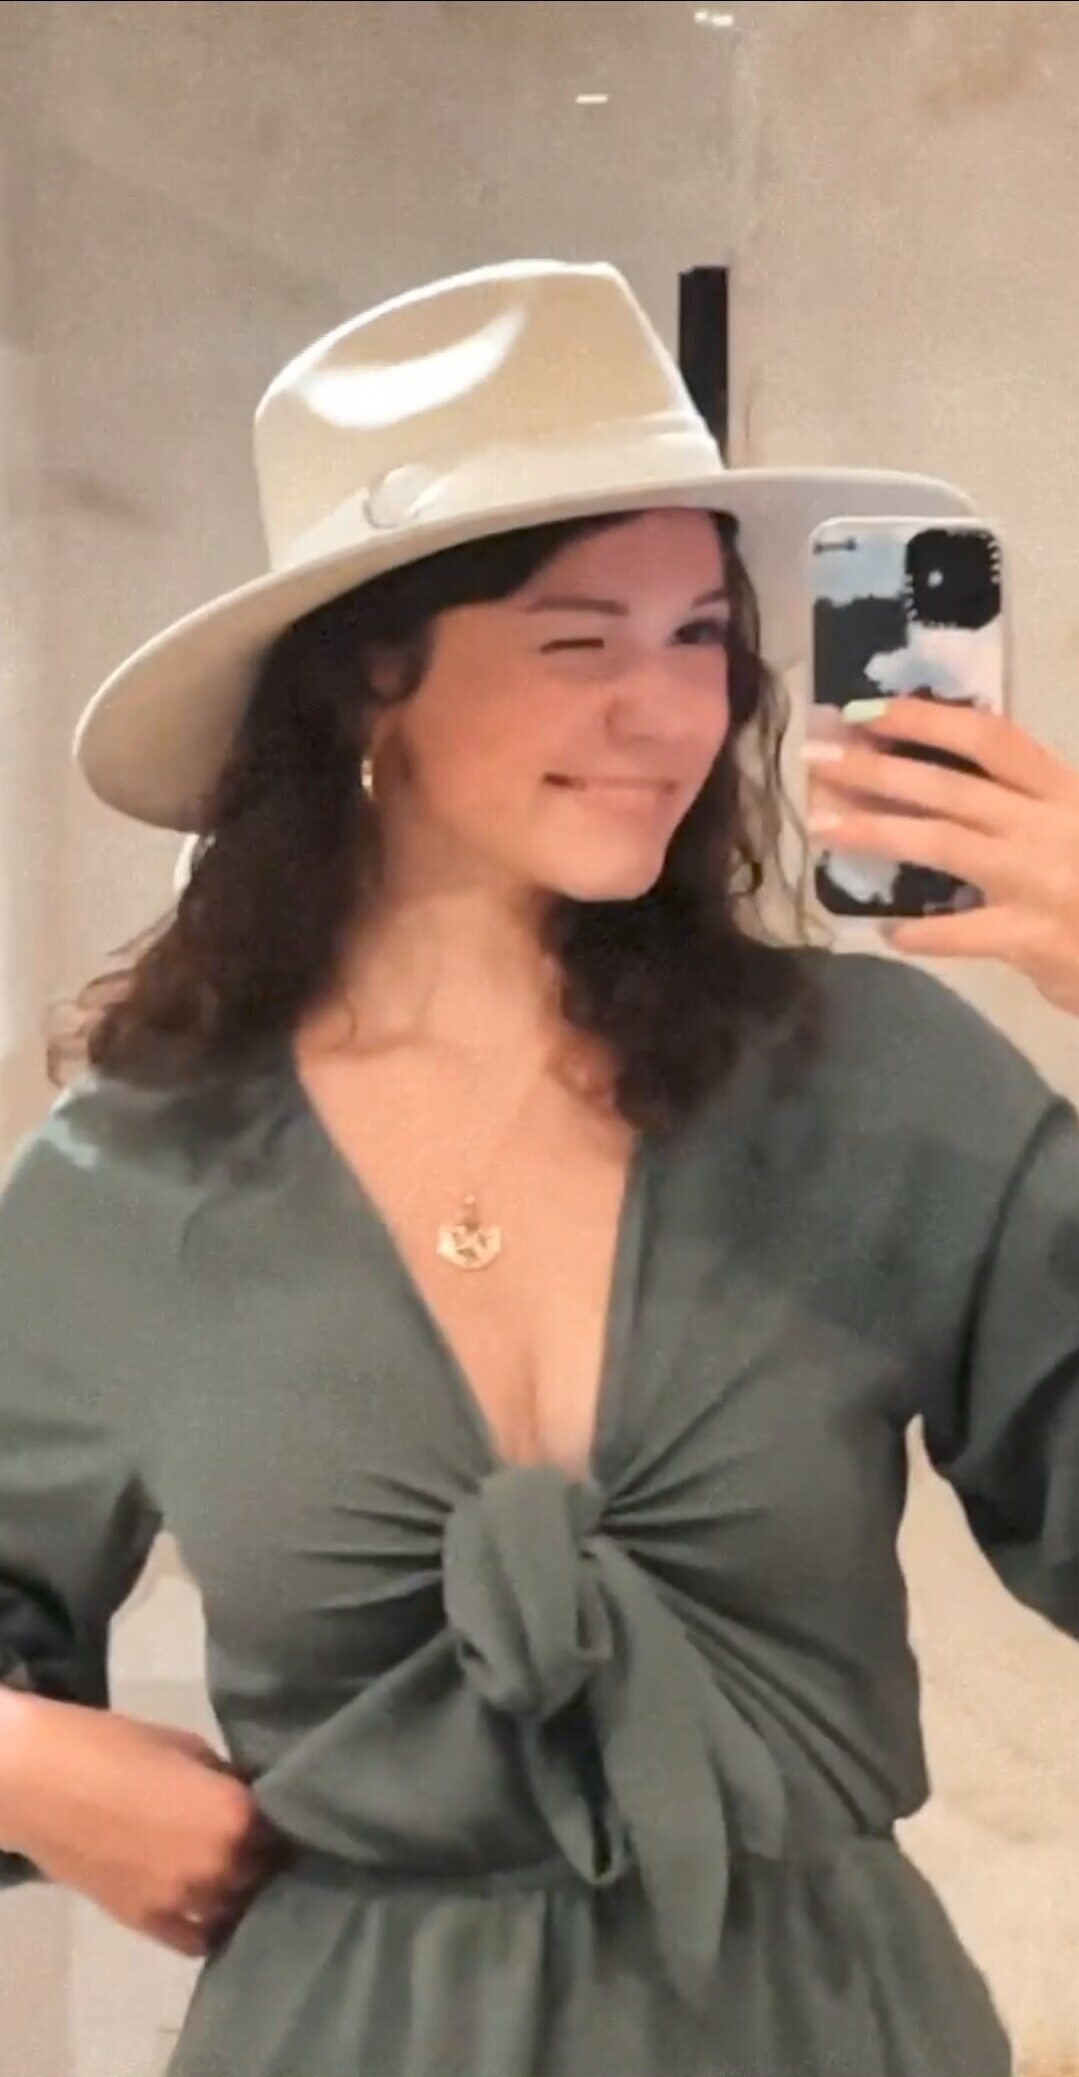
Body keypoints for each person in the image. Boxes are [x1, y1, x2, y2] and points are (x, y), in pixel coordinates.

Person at [0, 259, 1076, 2077]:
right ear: (372, 678)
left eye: (699, 636)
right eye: (581, 642)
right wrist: (27, 1763)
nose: (671, 715)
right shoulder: (140, 1177)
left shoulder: (870, 1086)